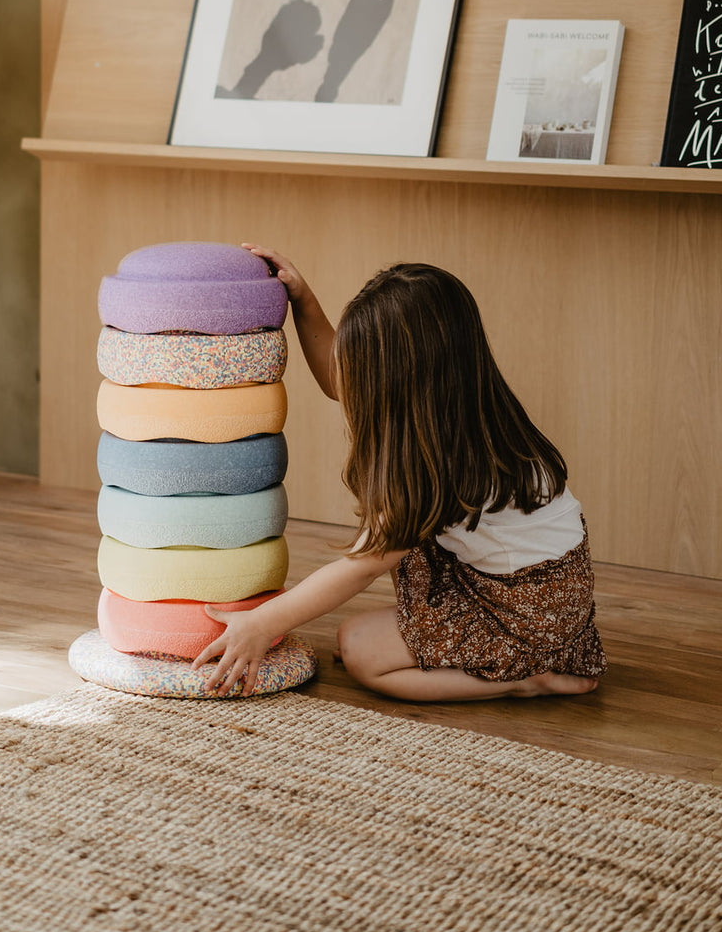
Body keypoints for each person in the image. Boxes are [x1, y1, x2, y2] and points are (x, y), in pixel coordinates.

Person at [191, 244, 606, 701]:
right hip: (544, 594)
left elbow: (359, 568)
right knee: (357, 636)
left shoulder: (448, 468)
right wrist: (303, 300)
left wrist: (263, 622)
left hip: (524, 614)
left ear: (397, 385)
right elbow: (339, 377)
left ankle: (525, 678)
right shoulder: (470, 417)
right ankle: (527, 660)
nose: (350, 384)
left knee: (360, 651)